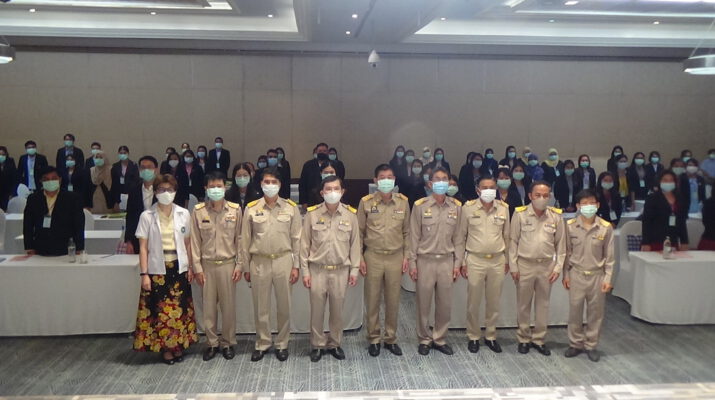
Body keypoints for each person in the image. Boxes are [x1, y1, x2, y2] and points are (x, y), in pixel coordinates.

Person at [133, 174, 197, 364]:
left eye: (169, 189)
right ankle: (166, 349)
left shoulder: (184, 213)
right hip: (157, 270)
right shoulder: (147, 216)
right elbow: (143, 247)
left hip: (179, 268)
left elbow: (188, 243)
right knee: (162, 311)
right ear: (155, 192)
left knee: (180, 309)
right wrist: (144, 274)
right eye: (161, 189)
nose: (166, 193)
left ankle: (178, 345)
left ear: (175, 192)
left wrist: (191, 266)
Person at [242, 167, 301, 362]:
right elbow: (245, 240)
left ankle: (282, 343)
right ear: (261, 184)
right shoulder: (251, 208)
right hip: (259, 261)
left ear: (280, 185)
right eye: (266, 182)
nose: (270, 185)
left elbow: (297, 239)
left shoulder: (290, 207)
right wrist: (245, 267)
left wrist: (296, 266)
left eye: (274, 182)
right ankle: (263, 342)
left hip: (283, 260)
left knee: (284, 305)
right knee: (261, 307)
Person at [300, 175, 360, 362]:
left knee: (337, 311)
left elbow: (355, 245)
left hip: (341, 270)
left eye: (336, 189)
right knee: (317, 311)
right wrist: (305, 271)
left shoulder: (351, 215)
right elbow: (304, 245)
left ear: (342, 192)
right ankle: (317, 344)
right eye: (328, 189)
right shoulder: (312, 215)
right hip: (317, 270)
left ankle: (335, 343)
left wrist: (354, 270)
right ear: (322, 192)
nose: (332, 192)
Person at [357, 164, 410, 357]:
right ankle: (373, 338)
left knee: (393, 300)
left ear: (394, 179)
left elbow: (407, 232)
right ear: (375, 181)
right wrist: (360, 258)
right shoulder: (366, 202)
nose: (386, 180)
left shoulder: (403, 202)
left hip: (396, 256)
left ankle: (390, 338)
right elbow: (359, 233)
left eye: (390, 177)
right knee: (372, 300)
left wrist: (406, 256)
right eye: (382, 177)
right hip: (373, 256)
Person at [409, 167, 462, 356]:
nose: (441, 182)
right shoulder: (420, 206)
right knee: (423, 303)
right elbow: (413, 237)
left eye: (444, 179)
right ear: (430, 183)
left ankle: (439, 338)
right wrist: (412, 263)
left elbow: (459, 238)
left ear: (449, 182)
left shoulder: (456, 207)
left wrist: (457, 264)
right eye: (437, 179)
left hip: (447, 261)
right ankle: (424, 338)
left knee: (445, 304)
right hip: (425, 260)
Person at [509, 181, 566, 356]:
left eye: (545, 195)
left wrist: (558, 268)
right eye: (538, 195)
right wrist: (513, 266)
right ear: (530, 196)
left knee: (543, 304)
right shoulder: (520, 214)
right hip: (525, 265)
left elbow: (561, 245)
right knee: (523, 304)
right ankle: (523, 338)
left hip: (546, 266)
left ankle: (539, 339)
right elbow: (513, 241)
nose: (542, 198)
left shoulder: (555, 216)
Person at [190, 171, 242, 362]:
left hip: (228, 264)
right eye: (212, 187)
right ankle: (211, 343)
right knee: (208, 308)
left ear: (225, 187)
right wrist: (197, 268)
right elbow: (194, 242)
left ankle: (227, 342)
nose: (216, 190)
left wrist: (239, 265)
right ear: (205, 188)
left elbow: (240, 239)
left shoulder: (235, 210)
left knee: (228, 308)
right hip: (207, 265)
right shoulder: (198, 211)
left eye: (219, 186)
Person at [456, 175, 510, 354]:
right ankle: (473, 336)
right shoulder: (468, 208)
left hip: (497, 260)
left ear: (496, 189)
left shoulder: (503, 208)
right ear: (478, 190)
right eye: (484, 187)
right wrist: (462, 261)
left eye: (492, 187)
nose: (488, 190)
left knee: (494, 301)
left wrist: (508, 260)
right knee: (473, 302)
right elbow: (461, 236)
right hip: (475, 259)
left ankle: (491, 336)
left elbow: (507, 236)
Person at [563, 188, 614, 363]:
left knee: (596, 313)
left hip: (597, 276)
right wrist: (565, 275)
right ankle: (575, 343)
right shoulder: (570, 226)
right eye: (584, 203)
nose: (588, 206)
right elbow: (566, 253)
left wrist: (608, 278)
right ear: (578, 206)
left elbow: (610, 257)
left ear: (598, 205)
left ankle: (591, 345)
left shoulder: (605, 227)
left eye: (592, 203)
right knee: (575, 312)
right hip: (576, 274)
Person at [23, 166, 85, 256]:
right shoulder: (33, 199)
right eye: (46, 179)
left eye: (54, 178)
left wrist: (79, 248)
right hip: (41, 250)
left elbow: (79, 225)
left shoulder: (72, 198)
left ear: (60, 179)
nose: (50, 181)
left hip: (65, 249)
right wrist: (29, 247)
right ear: (41, 181)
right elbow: (27, 225)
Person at [641, 170, 688, 251]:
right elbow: (646, 222)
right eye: (665, 180)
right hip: (655, 241)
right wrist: (645, 242)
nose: (668, 183)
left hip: (673, 240)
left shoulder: (680, 199)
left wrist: (684, 241)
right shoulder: (652, 198)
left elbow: (682, 222)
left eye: (671, 180)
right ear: (659, 182)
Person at [125, 156, 159, 254]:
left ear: (156, 170)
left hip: (158, 236)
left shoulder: (162, 190)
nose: (146, 170)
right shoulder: (134, 190)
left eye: (149, 167)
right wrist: (129, 241)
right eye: (143, 167)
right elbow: (130, 217)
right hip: (138, 235)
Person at [299, 142, 331, 208]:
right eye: (320, 151)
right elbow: (302, 184)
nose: (322, 153)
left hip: (329, 199)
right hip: (311, 200)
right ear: (316, 152)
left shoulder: (333, 165)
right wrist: (303, 202)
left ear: (328, 152)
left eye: (324, 151)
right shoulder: (308, 165)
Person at [0, 146, 17, 211]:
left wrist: (12, 193)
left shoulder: (10, 161)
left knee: (6, 210)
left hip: (7, 192)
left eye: (3, 154)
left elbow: (14, 178)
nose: (1, 156)